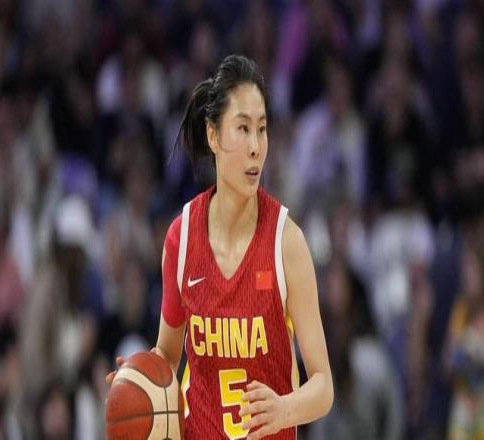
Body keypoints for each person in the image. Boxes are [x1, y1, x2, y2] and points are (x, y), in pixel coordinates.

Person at [107, 54, 333, 439]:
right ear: (213, 136)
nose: (256, 146)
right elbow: (167, 355)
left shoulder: (286, 242)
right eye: (242, 129)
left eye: (262, 129)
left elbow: (323, 385)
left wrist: (284, 409)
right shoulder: (181, 238)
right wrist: (137, 382)